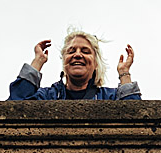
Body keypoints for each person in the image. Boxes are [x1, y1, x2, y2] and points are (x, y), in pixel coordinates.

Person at [8, 29, 141, 100]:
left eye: (85, 51)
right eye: (71, 51)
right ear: (64, 62)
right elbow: (15, 106)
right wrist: (37, 62)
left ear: (95, 63)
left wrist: (124, 74)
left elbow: (136, 118)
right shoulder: (48, 96)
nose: (77, 55)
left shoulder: (109, 97)